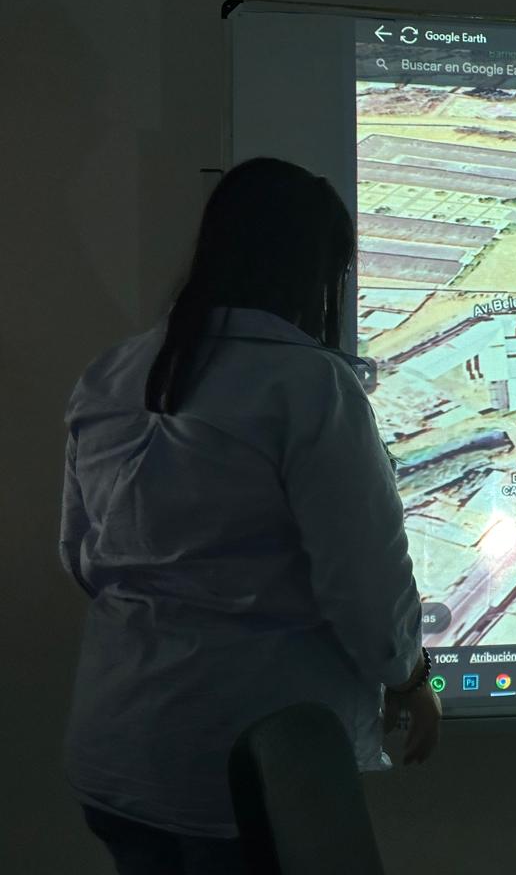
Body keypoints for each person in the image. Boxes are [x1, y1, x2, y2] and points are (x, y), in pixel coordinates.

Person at [59, 158, 442, 874]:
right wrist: (412, 680)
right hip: (251, 762)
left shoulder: (112, 373)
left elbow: (82, 557)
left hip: (116, 750)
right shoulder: (310, 387)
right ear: (318, 273)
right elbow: (365, 583)